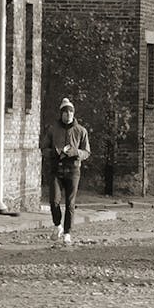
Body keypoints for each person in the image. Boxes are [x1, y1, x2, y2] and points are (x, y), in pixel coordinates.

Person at [42, 97, 90, 244]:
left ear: (73, 114)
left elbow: (86, 152)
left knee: (70, 203)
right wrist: (55, 152)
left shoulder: (81, 131)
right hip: (56, 169)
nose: (68, 115)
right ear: (61, 114)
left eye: (70, 112)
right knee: (54, 201)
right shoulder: (52, 129)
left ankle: (67, 232)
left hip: (73, 170)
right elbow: (44, 149)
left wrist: (75, 152)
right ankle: (58, 225)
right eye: (65, 112)